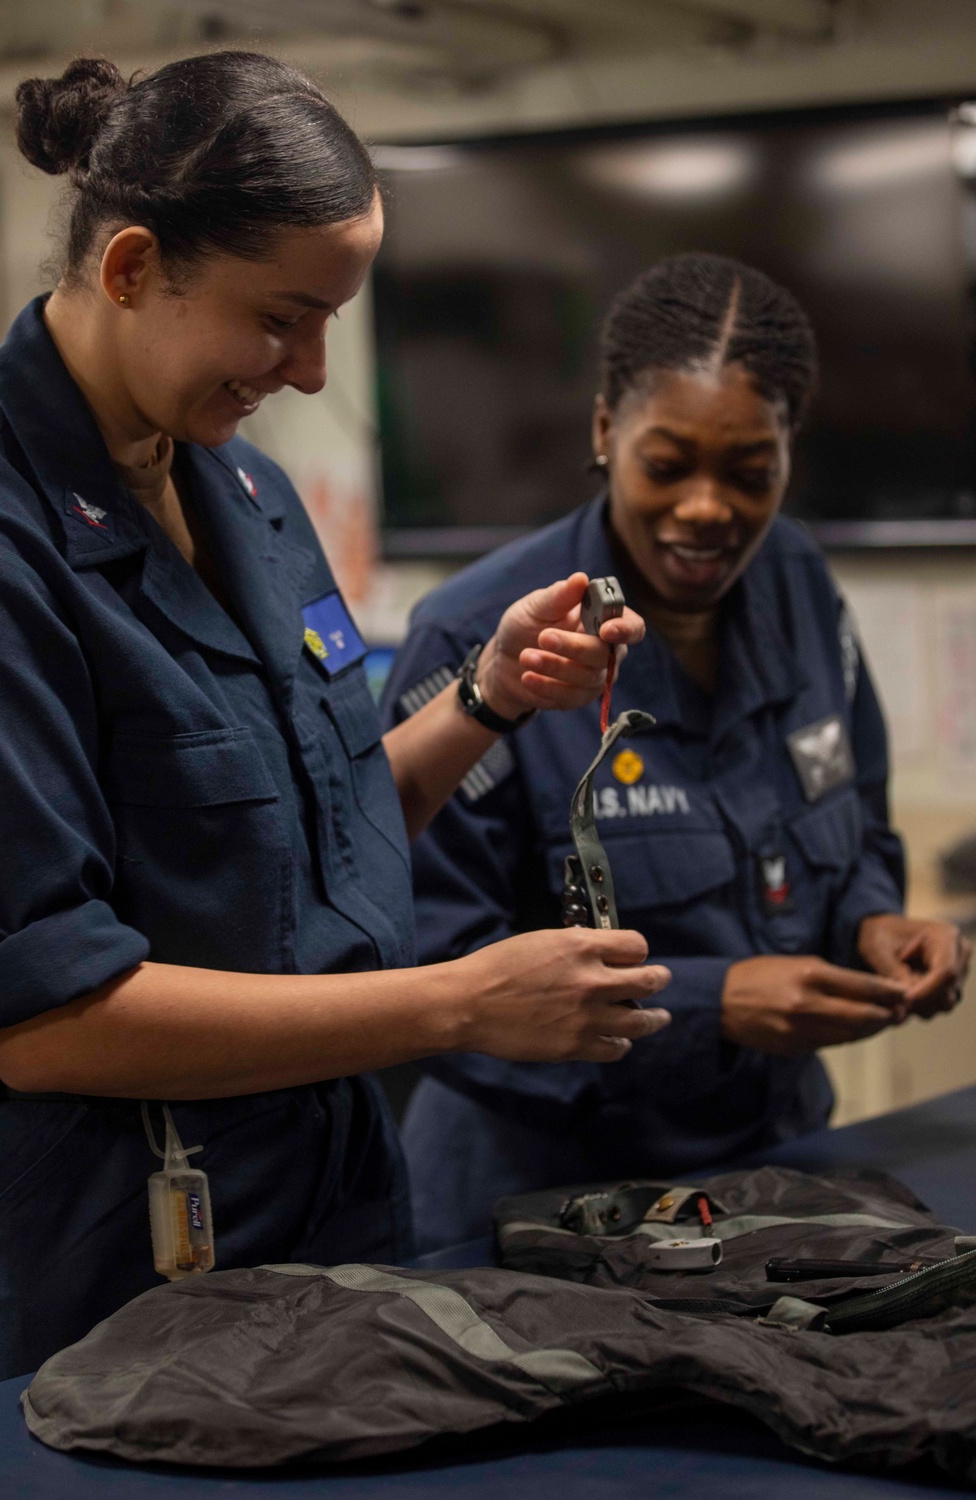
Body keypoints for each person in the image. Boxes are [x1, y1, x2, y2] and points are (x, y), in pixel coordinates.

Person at [0, 53, 674, 1386]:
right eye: (280, 321)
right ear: (131, 268)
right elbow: (49, 1016)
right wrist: (452, 1006)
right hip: (120, 1277)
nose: (307, 374)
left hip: (333, 1220)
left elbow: (313, 837)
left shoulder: (244, 496)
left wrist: (485, 700)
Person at [385, 252, 972, 1251]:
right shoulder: (477, 641)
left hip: (775, 1176)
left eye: (750, 473)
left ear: (789, 452)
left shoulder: (797, 583)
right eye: (668, 465)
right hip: (542, 1213)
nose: (708, 507)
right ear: (606, 429)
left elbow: (855, 820)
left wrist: (876, 920)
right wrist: (713, 1004)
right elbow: (432, 970)